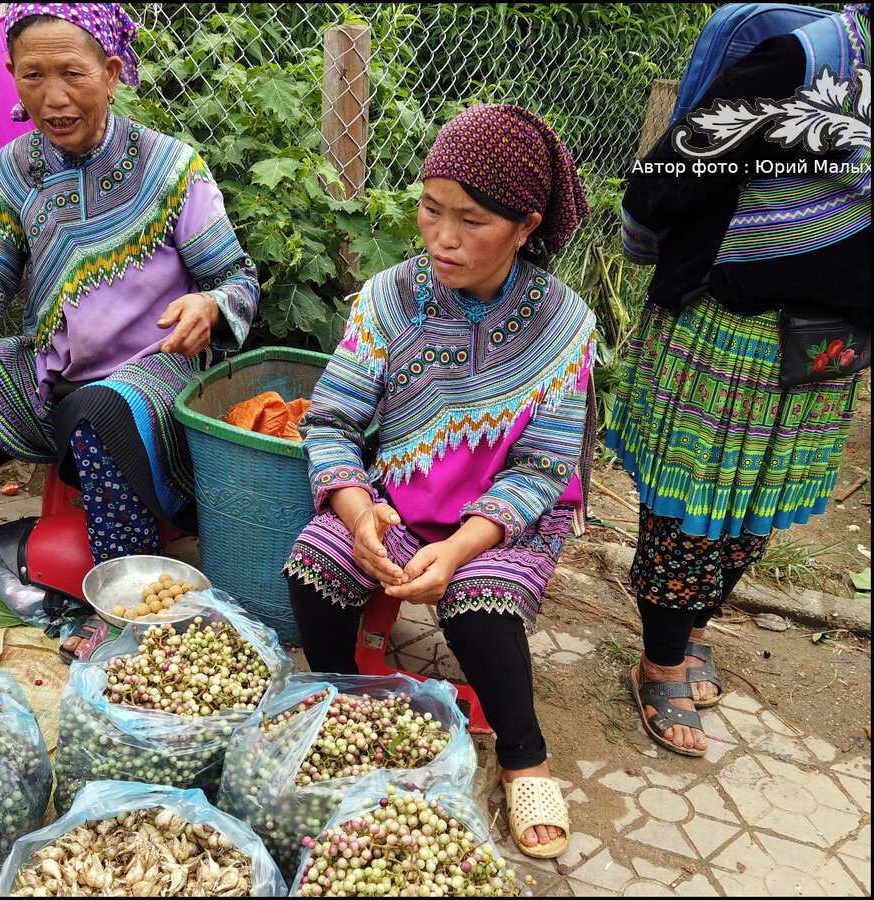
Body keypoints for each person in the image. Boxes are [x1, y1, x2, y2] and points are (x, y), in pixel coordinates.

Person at [0, 2, 258, 657]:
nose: (54, 97)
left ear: (110, 71)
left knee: (101, 410)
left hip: (153, 370)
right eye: (32, 76)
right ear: (12, 76)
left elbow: (236, 278)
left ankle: (123, 594)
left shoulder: (170, 168)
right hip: (51, 369)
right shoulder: (11, 172)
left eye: (72, 74)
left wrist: (209, 308)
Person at [283, 104, 596, 859]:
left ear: (526, 225)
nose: (445, 238)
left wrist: (459, 550)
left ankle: (525, 754)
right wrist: (359, 515)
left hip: (504, 518)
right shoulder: (390, 300)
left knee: (478, 606)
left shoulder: (563, 323)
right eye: (430, 210)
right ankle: (344, 697)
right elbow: (329, 421)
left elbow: (546, 467)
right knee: (314, 568)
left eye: (473, 220)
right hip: (394, 500)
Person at [606, 4, 869, 756]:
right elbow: (667, 179)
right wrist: (653, 249)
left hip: (832, 347)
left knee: (753, 514)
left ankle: (691, 632)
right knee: (694, 514)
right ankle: (659, 663)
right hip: (734, 331)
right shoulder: (801, 63)